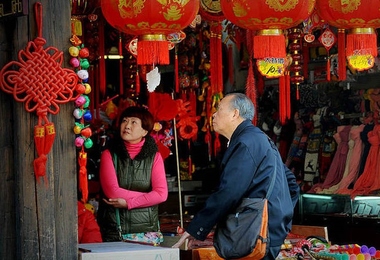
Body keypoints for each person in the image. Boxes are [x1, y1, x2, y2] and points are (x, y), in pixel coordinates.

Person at [173, 93, 300, 259]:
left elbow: (230, 191)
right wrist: (280, 216)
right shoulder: (258, 138)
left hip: (256, 231)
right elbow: (292, 185)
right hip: (268, 229)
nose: (214, 115)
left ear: (235, 113)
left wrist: (197, 227)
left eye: (219, 109)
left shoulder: (246, 141)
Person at [97, 106, 168, 242]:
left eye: (133, 122)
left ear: (144, 131)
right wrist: (150, 197)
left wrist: (128, 203)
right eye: (124, 121)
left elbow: (162, 195)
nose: (127, 126)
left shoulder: (154, 157)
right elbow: (113, 192)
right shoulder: (110, 155)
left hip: (147, 231)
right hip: (116, 230)